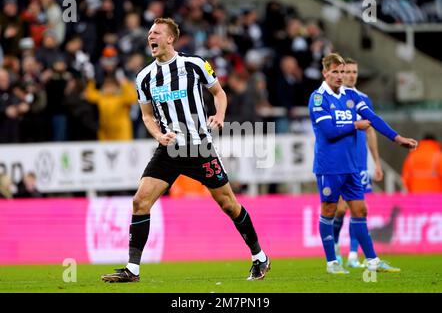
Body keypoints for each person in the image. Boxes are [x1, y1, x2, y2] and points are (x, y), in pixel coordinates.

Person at [101, 18, 270, 283]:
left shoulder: (194, 64)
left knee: (228, 203)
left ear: (170, 38)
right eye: (149, 34)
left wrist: (220, 114)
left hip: (199, 147)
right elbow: (147, 116)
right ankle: (132, 269)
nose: (150, 37)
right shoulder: (144, 77)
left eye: (156, 33)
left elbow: (219, 93)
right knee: (140, 201)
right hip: (169, 149)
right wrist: (158, 134)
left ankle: (259, 257)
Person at [308, 53, 417, 274]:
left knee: (360, 210)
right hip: (330, 166)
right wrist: (354, 125)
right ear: (325, 72)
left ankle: (373, 261)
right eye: (335, 72)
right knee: (329, 210)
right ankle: (332, 263)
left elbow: (373, 119)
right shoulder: (318, 98)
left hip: (352, 166)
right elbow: (329, 132)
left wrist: (397, 138)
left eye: (342, 71)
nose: (340, 76)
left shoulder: (350, 96)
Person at [333, 58, 386, 269]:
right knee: (339, 209)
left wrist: (376, 162)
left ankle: (354, 255)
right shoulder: (333, 98)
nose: (352, 75)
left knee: (359, 208)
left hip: (360, 162)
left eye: (355, 72)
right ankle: (335, 247)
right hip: (340, 162)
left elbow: (371, 130)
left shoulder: (364, 100)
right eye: (348, 72)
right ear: (341, 73)